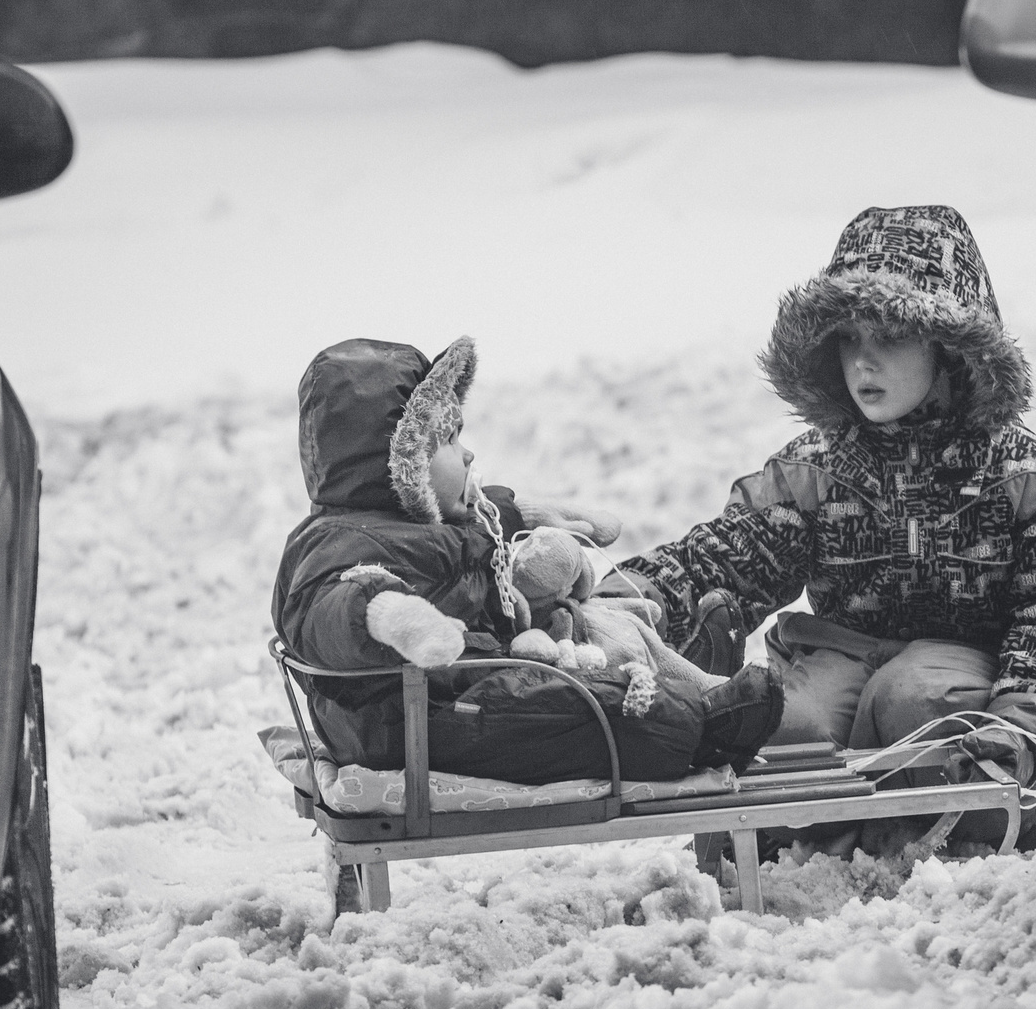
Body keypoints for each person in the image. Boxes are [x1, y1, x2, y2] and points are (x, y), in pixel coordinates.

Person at [613, 205, 1036, 855]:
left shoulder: (1022, 473)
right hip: (841, 655)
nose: (864, 362)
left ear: (949, 346)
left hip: (960, 675)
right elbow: (728, 556)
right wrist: (632, 600)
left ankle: (999, 818)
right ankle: (811, 820)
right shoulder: (822, 465)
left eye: (892, 336)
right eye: (850, 338)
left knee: (913, 699)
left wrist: (1022, 729)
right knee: (786, 728)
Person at [272, 335, 782, 786]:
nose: (467, 454)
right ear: (400, 465)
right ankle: (705, 728)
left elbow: (477, 537)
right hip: (414, 720)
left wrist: (527, 511)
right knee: (570, 705)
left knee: (585, 629)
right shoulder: (336, 545)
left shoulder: (422, 522)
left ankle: (681, 669)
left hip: (465, 683)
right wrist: (388, 615)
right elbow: (327, 612)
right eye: (447, 441)